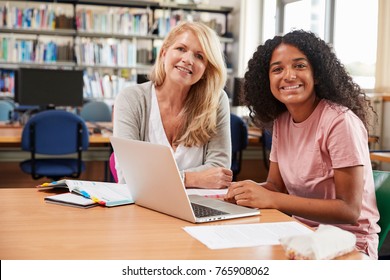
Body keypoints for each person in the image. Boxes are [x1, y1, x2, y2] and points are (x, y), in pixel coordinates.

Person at [225, 30, 380, 259]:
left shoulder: (340, 122)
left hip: (347, 244)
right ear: (267, 80)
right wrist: (248, 190)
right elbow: (276, 187)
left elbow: (349, 210)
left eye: (299, 66)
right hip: (298, 234)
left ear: (316, 74)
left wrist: (272, 198)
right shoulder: (282, 122)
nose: (288, 76)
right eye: (277, 69)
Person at [113, 21, 232, 189]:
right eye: (181, 49)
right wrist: (192, 179)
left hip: (200, 207)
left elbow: (219, 173)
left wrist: (155, 177)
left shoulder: (216, 100)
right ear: (163, 54)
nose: (188, 59)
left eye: (200, 56)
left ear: (206, 69)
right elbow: (130, 177)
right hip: (145, 207)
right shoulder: (131, 99)